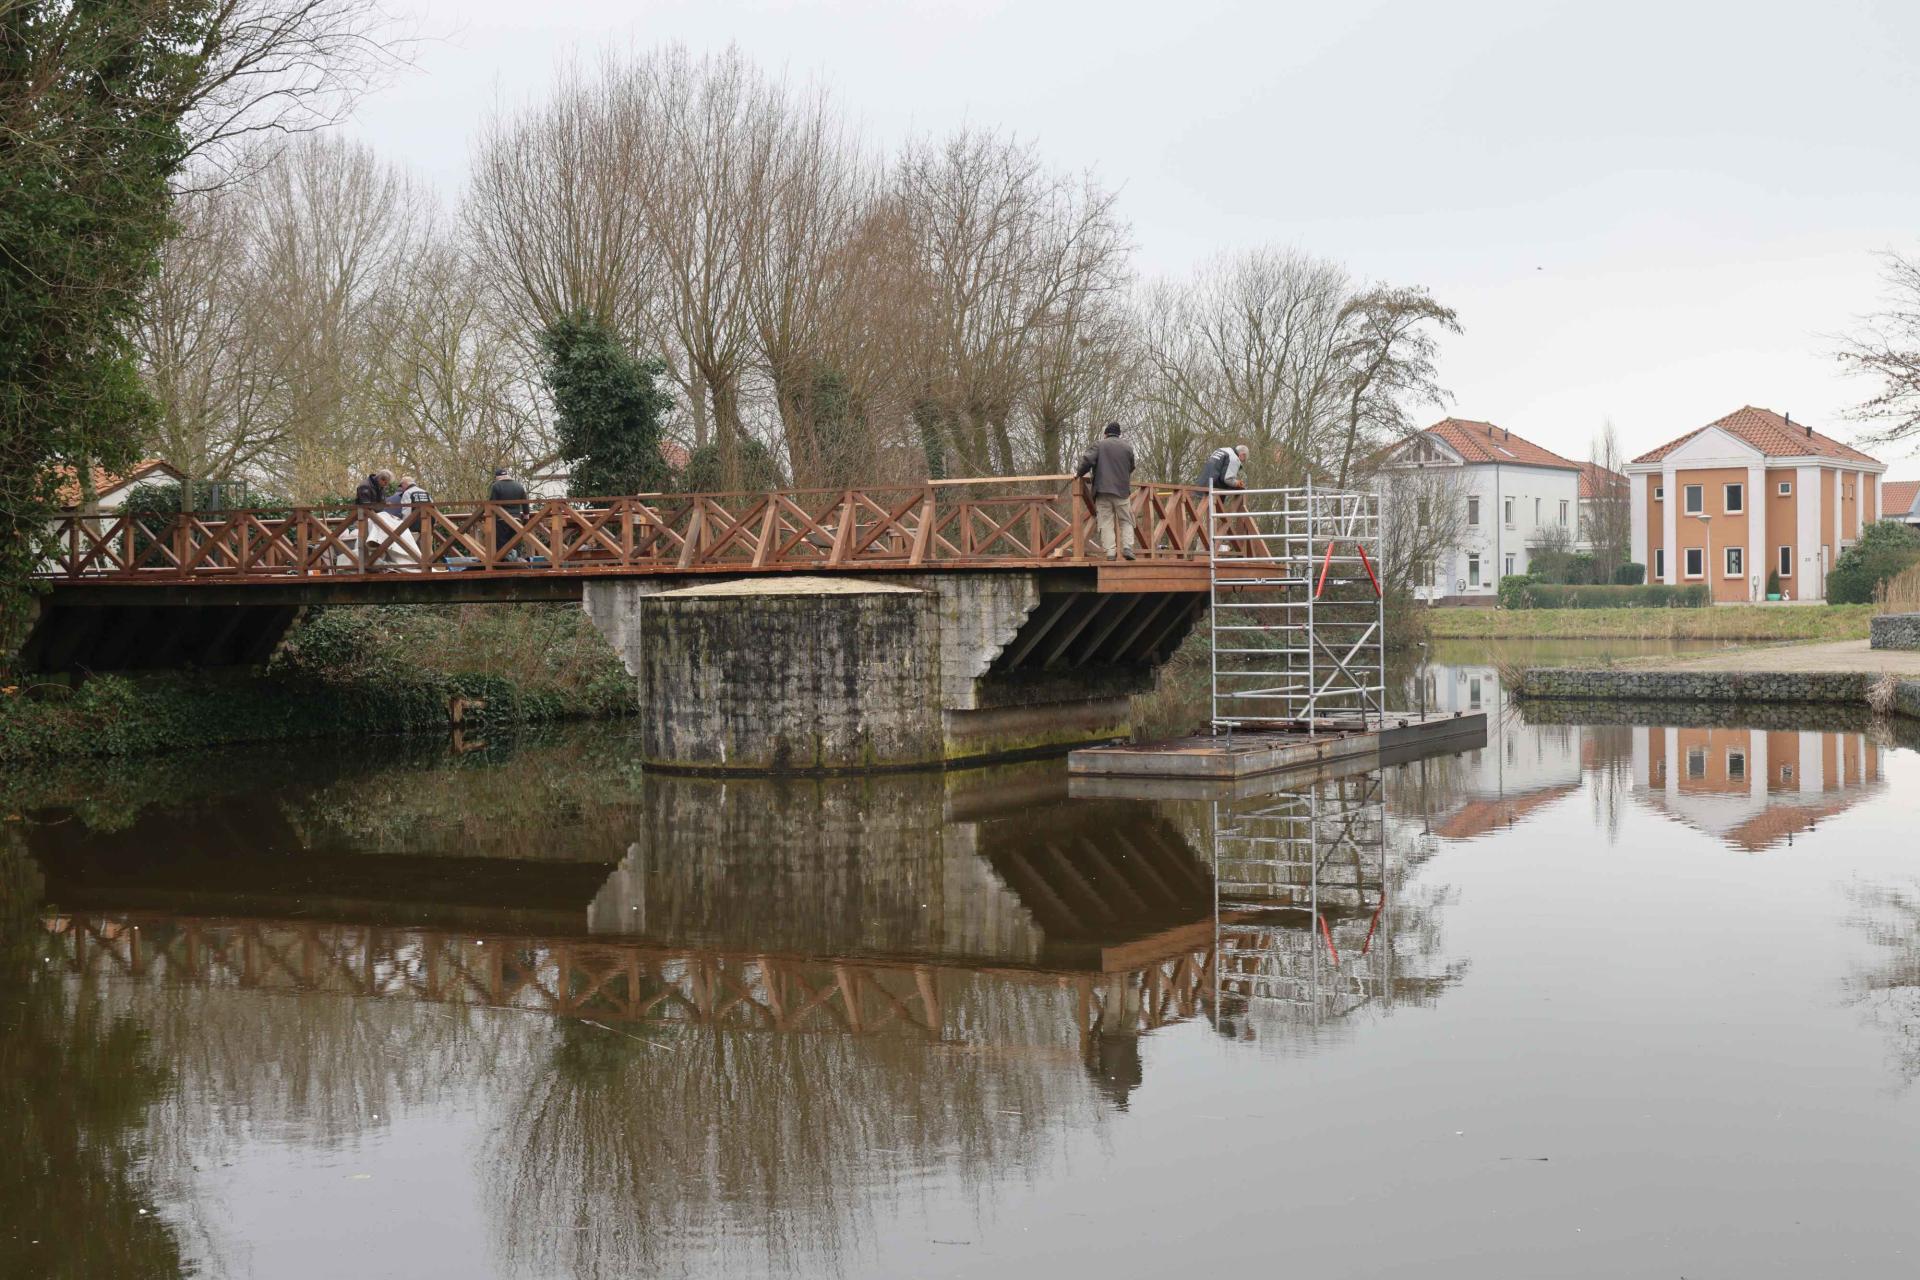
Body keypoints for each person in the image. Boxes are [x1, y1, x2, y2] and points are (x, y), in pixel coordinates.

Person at [1074, 420, 1136, 561]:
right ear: (1119, 434)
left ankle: (1110, 553)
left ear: (1105, 433)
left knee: (1106, 522)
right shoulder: (1127, 447)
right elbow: (1131, 467)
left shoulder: (1100, 445)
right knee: (1126, 520)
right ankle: (1127, 548)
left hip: (1102, 490)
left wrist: (1078, 474)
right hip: (1121, 491)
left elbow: (1087, 461)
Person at [488, 466, 531, 560]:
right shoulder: (519, 485)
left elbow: (491, 504)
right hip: (517, 519)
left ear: (497, 477)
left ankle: (503, 564)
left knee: (502, 544)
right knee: (516, 543)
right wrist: (526, 518)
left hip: (501, 520)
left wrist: (488, 517)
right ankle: (517, 562)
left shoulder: (496, 486)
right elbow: (525, 504)